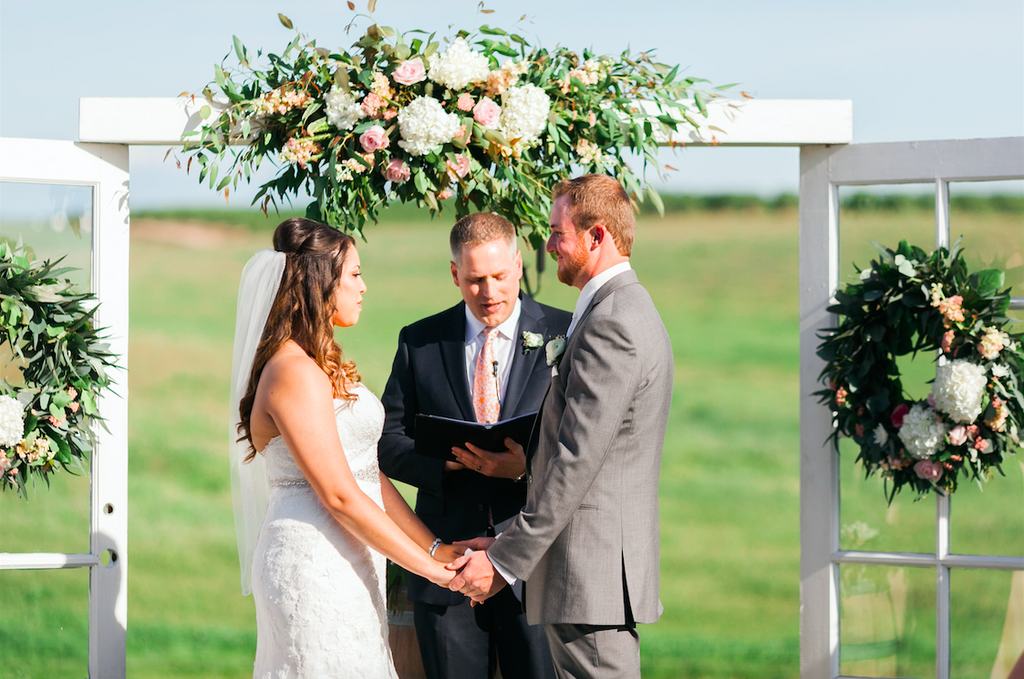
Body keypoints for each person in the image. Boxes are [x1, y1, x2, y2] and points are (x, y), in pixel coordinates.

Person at [447, 175, 674, 679]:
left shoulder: (612, 320)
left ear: (597, 237)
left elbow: (576, 461)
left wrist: (506, 563)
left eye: (557, 233)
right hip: (584, 576)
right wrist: (504, 543)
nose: (547, 246)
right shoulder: (615, 308)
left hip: (588, 577)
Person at [228, 218, 463, 678]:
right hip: (313, 564)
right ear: (320, 283)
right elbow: (339, 495)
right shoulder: (292, 372)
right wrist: (430, 571)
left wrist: (436, 549)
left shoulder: (319, 364)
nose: (364, 286)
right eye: (354, 274)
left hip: (349, 559)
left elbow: (365, 475)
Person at [378, 212, 570, 679]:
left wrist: (524, 468)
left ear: (519, 265)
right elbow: (385, 442)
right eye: (475, 280)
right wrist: (448, 465)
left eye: (500, 277)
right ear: (454, 274)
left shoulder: (566, 333)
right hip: (449, 569)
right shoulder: (420, 340)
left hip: (535, 566)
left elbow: (583, 445)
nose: (489, 293)